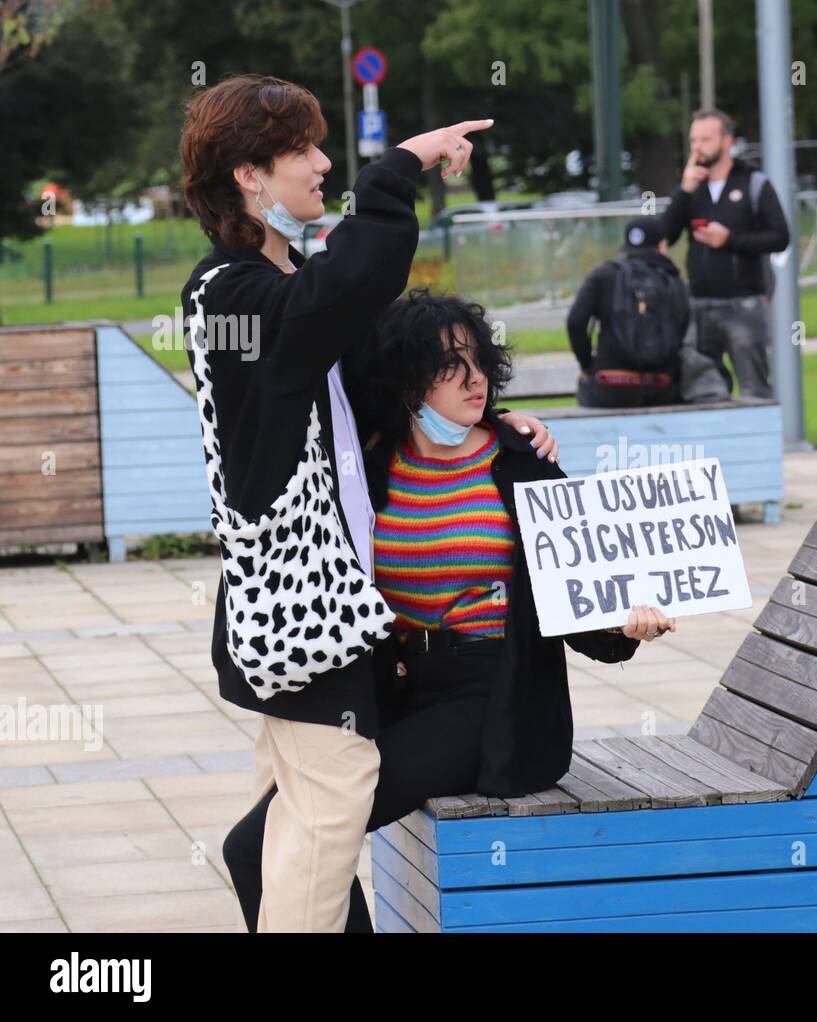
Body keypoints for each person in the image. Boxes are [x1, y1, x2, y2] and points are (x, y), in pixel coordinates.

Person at [179, 73, 556, 933]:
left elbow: (378, 391)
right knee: (323, 819)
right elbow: (346, 289)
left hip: (340, 615)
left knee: (279, 834)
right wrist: (397, 172)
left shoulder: (284, 283)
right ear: (248, 175)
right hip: (301, 616)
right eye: (303, 153)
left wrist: (494, 423)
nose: (322, 166)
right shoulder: (230, 295)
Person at [221, 288, 676, 932]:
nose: (474, 378)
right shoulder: (372, 468)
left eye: (478, 359)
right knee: (251, 846)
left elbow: (580, 597)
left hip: (491, 699)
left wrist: (624, 624)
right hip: (396, 693)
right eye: (447, 365)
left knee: (298, 832)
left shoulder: (520, 463)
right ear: (406, 382)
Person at [659, 108, 790, 399]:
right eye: (693, 140)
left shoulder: (754, 183)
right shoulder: (692, 188)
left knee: (754, 388)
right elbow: (665, 235)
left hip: (743, 304)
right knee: (702, 389)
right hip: (699, 304)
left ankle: (758, 441)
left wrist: (730, 239)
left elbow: (781, 237)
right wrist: (683, 191)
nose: (697, 147)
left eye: (705, 139)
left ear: (726, 141)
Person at [566, 216, 690, 408]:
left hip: (610, 387)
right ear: (662, 245)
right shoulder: (674, 282)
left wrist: (587, 365)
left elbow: (576, 321)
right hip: (662, 389)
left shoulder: (603, 274)